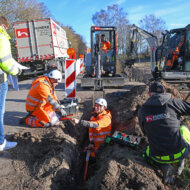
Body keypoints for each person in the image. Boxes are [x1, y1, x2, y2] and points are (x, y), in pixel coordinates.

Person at [138, 81, 190, 184]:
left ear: (149, 94)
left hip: (158, 157)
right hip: (180, 152)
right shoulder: (174, 103)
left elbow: (144, 132)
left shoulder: (142, 111)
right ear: (164, 92)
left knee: (146, 154)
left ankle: (165, 166)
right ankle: (180, 162)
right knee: (184, 128)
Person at [0, 16, 22, 151]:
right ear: (4, 25)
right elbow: (5, 61)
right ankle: (1, 142)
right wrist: (16, 71)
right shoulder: (1, 36)